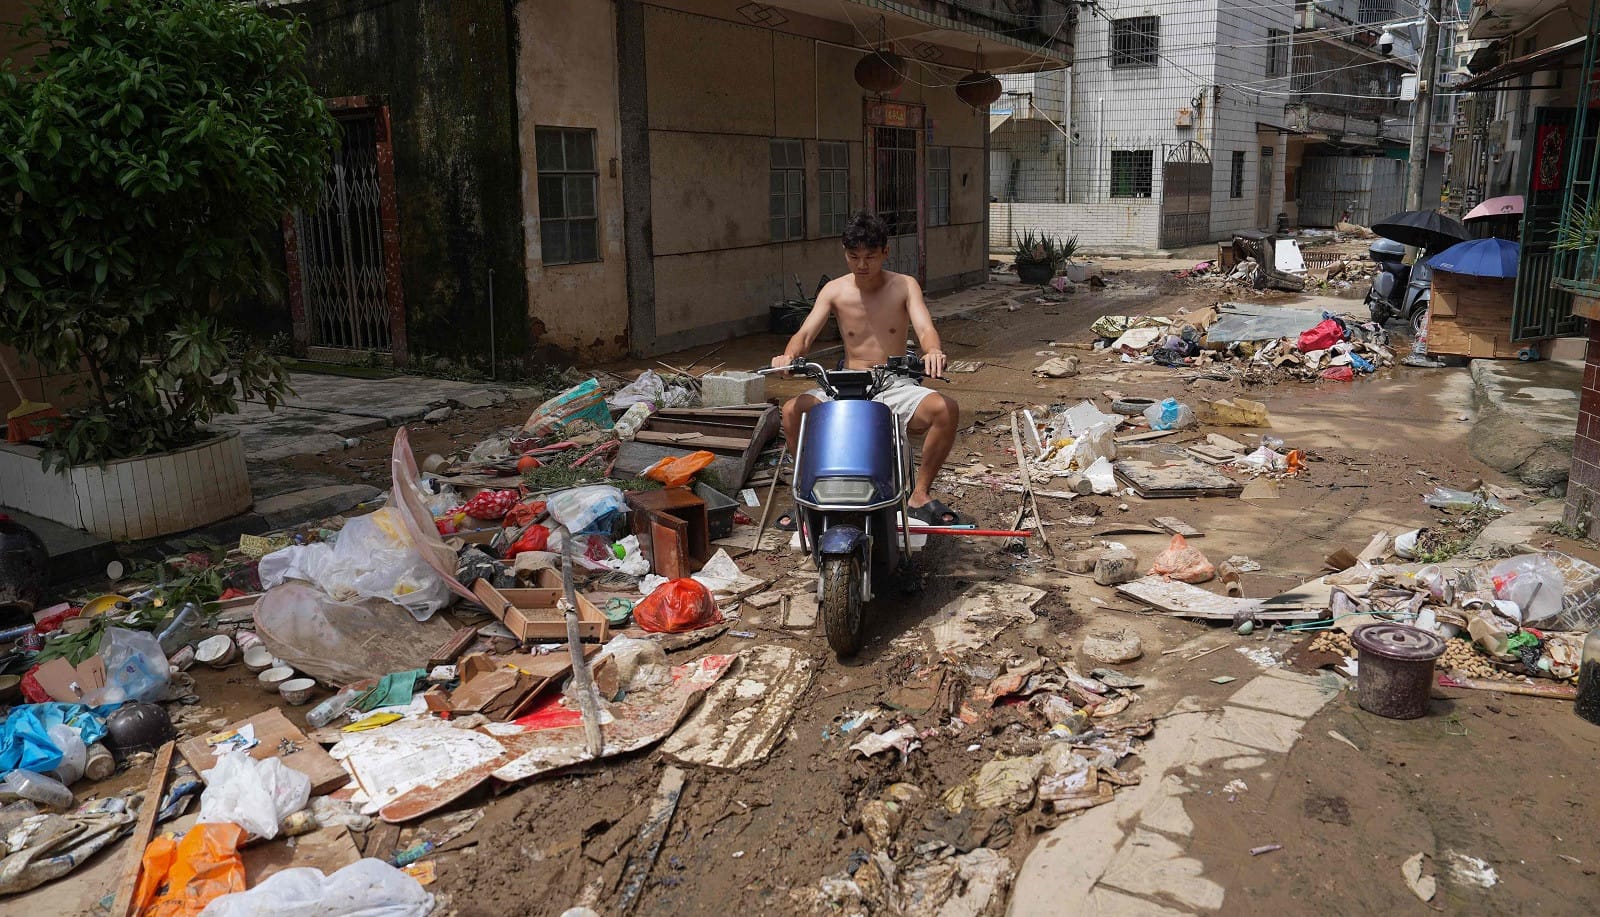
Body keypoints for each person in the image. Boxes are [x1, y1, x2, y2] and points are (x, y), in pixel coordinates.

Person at [770, 210, 963, 526]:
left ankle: (920, 494)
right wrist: (789, 356)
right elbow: (804, 334)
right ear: (844, 253)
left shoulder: (904, 285)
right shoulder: (834, 290)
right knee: (792, 411)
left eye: (870, 257)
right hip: (843, 384)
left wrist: (933, 352)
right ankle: (806, 496)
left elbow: (925, 328)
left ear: (886, 252)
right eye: (853, 256)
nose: (862, 265)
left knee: (946, 409)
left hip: (892, 382)